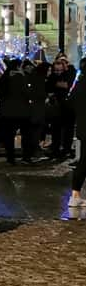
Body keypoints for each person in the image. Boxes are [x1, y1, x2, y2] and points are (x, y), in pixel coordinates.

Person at [48, 58, 76, 160]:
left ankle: (65, 150)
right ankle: (57, 150)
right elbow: (50, 86)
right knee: (56, 129)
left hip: (67, 106)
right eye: (56, 71)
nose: (58, 73)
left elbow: (66, 85)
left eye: (60, 70)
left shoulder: (70, 73)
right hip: (58, 106)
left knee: (67, 130)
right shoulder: (54, 76)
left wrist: (55, 84)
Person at [67, 57, 86, 208]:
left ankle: (75, 195)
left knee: (83, 161)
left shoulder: (78, 86)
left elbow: (71, 104)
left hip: (83, 127)